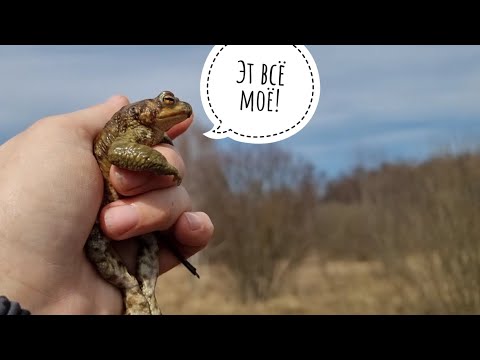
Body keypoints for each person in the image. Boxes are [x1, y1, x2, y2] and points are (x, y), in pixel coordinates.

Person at [0, 95, 214, 314]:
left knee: (148, 258)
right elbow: (118, 151)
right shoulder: (136, 125)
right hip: (93, 229)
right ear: (146, 109)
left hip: (110, 236)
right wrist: (162, 164)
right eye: (169, 100)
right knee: (132, 282)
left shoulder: (153, 134)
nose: (177, 106)